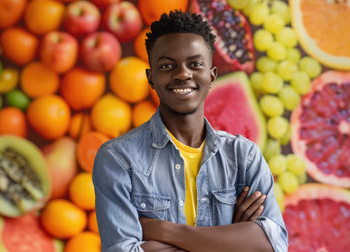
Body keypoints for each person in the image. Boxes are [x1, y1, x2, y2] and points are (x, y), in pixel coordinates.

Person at [93, 10, 288, 252]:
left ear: (212, 75)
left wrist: (165, 231)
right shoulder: (118, 159)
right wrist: (231, 241)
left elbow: (274, 245)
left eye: (195, 64)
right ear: (151, 78)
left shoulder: (244, 156)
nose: (183, 74)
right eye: (167, 65)